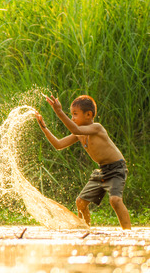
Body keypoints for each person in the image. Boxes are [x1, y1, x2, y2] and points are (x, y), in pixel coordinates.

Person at [35, 94, 131, 229]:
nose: (72, 118)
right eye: (71, 114)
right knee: (80, 202)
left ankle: (127, 233)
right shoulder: (79, 134)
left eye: (75, 114)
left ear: (88, 115)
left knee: (115, 200)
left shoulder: (97, 128)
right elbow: (58, 144)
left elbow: (75, 129)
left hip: (116, 168)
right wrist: (44, 127)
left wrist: (59, 111)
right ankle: (86, 230)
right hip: (102, 170)